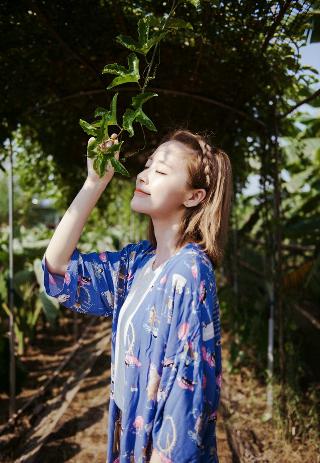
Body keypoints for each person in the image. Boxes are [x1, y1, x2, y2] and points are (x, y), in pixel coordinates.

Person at [42, 128, 233, 463]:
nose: (144, 175)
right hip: (128, 437)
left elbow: (185, 394)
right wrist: (94, 182)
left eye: (160, 171)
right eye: (147, 165)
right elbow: (57, 268)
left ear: (193, 197)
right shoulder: (137, 264)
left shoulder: (187, 272)